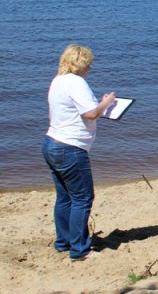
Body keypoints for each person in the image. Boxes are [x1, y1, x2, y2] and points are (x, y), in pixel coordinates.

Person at [41, 44, 115, 261]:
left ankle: (63, 242)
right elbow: (91, 114)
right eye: (88, 64)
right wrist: (107, 103)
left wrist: (99, 105)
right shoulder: (76, 82)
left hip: (51, 143)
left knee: (65, 197)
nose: (89, 68)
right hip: (69, 148)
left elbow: (83, 110)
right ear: (80, 64)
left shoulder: (58, 80)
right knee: (82, 197)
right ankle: (80, 250)